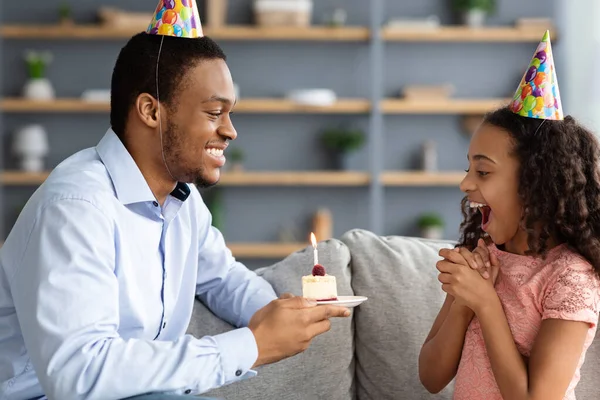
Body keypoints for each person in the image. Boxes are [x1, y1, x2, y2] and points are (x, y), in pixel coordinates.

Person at [0, 3, 350, 400]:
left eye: (229, 113)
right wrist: (252, 345)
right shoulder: (76, 207)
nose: (230, 131)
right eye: (214, 112)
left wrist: (278, 313)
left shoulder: (181, 201)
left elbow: (223, 278)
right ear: (151, 111)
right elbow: (80, 375)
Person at [418, 31, 600, 400]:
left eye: (483, 172)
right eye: (469, 168)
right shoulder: (483, 255)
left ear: (536, 181)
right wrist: (464, 302)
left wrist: (486, 303)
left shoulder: (570, 279)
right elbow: (431, 377)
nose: (465, 184)